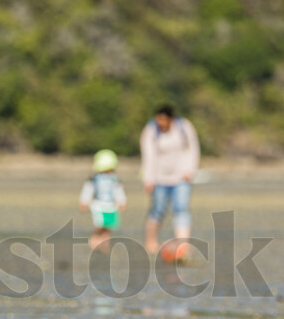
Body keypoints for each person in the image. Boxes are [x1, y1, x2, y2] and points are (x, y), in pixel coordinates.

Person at [140, 104, 200, 261]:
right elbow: (148, 156)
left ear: (170, 119)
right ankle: (151, 242)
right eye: (158, 119)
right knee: (157, 210)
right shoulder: (150, 130)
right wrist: (148, 179)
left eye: (163, 120)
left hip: (181, 177)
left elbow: (193, 148)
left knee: (181, 209)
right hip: (159, 178)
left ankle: (183, 245)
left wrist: (190, 170)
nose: (161, 123)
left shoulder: (184, 126)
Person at [79, 149, 127, 252]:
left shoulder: (115, 179)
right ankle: (95, 240)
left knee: (109, 225)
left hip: (111, 206)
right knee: (99, 224)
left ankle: (105, 242)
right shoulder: (94, 178)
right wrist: (84, 201)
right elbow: (88, 190)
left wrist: (122, 202)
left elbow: (118, 191)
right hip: (98, 205)